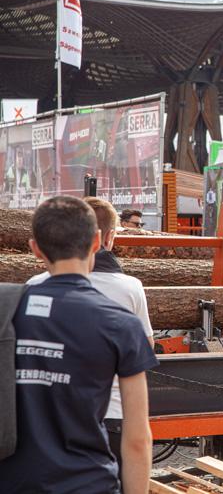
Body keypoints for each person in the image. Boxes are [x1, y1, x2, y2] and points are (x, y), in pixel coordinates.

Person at [0, 196, 157, 494]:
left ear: (35, 248)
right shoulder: (121, 323)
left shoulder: (8, 310)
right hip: (88, 483)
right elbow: (138, 439)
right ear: (97, 241)